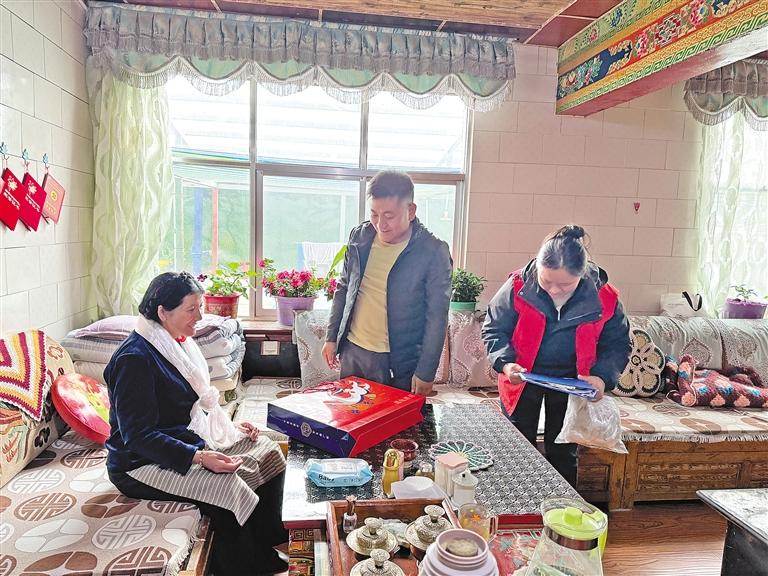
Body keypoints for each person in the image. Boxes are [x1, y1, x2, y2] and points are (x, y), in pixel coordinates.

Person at [105, 272, 288, 575]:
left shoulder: (175, 344)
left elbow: (184, 409)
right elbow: (137, 436)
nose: (200, 317)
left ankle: (264, 542)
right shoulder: (134, 359)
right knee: (226, 485)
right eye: (191, 309)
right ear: (162, 312)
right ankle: (242, 566)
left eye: (200, 307)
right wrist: (200, 457)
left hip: (184, 438)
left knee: (265, 449)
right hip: (138, 463)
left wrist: (231, 429)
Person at [482, 225, 631, 486]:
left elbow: (617, 344)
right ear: (538, 267)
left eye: (565, 285)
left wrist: (602, 378)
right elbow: (494, 329)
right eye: (546, 281)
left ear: (581, 275)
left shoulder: (604, 296)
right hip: (523, 377)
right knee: (516, 448)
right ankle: (517, 503)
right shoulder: (518, 285)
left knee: (563, 452)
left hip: (572, 382)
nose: (553, 290)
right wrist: (505, 363)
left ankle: (562, 505)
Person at [322, 170, 452, 396]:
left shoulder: (433, 251)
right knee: (350, 416)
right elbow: (344, 287)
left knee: (394, 419)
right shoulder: (360, 236)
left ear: (411, 210)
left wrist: (426, 371)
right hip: (353, 352)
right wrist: (331, 337)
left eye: (389, 216)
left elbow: (437, 317)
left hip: (398, 361)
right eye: (374, 214)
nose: (380, 224)